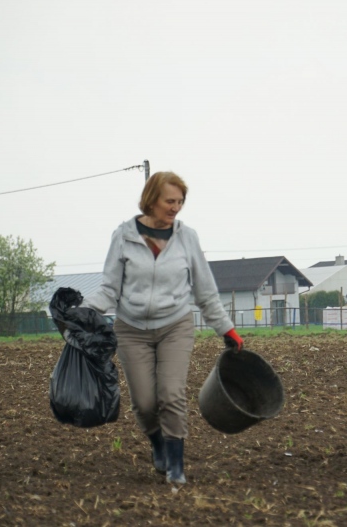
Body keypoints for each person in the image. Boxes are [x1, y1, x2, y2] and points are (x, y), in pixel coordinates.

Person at [83, 171, 243, 485]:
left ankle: (175, 464)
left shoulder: (187, 238)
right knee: (144, 403)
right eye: (170, 201)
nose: (175, 208)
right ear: (151, 199)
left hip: (175, 326)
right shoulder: (124, 236)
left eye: (180, 201)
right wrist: (84, 310)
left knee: (171, 394)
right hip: (131, 329)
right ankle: (157, 442)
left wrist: (227, 329)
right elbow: (109, 289)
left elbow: (205, 291)